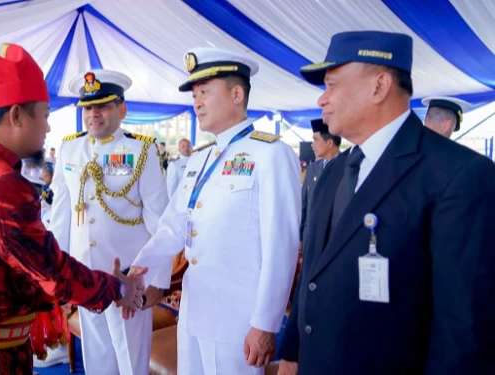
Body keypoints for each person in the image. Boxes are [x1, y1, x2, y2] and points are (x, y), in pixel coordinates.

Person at [0, 34, 145, 374]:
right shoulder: (3, 184)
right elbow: (52, 272)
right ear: (18, 116)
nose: (49, 127)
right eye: (45, 115)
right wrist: (119, 287)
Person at [277, 31, 495, 375]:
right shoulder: (334, 173)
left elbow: (463, 325)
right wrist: (291, 352)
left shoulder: (459, 174)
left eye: (332, 85)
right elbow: (313, 277)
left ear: (379, 87)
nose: (322, 99)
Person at [129, 47, 301, 374]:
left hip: (238, 320)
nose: (197, 102)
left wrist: (265, 323)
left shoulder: (271, 154)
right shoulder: (200, 158)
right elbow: (173, 226)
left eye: (205, 92)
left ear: (237, 94)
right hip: (195, 312)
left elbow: (282, 246)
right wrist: (141, 273)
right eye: (195, 94)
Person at [49, 69, 169, 374]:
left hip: (129, 278)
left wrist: (157, 281)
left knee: (130, 359)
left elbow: (159, 220)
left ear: (121, 110)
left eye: (102, 106)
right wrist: (57, 276)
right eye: (88, 108)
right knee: (97, 356)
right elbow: (62, 216)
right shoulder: (69, 149)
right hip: (84, 275)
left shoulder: (141, 150)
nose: (94, 114)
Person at [300, 119, 341, 247]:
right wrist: (301, 236)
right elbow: (304, 204)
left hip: (332, 239)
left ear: (329, 143)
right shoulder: (312, 168)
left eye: (315, 140)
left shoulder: (347, 166)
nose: (312, 145)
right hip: (310, 237)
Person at [40, 162, 54, 227]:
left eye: (44, 176)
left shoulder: (56, 187)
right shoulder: (45, 187)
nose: (43, 179)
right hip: (45, 212)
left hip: (52, 213)